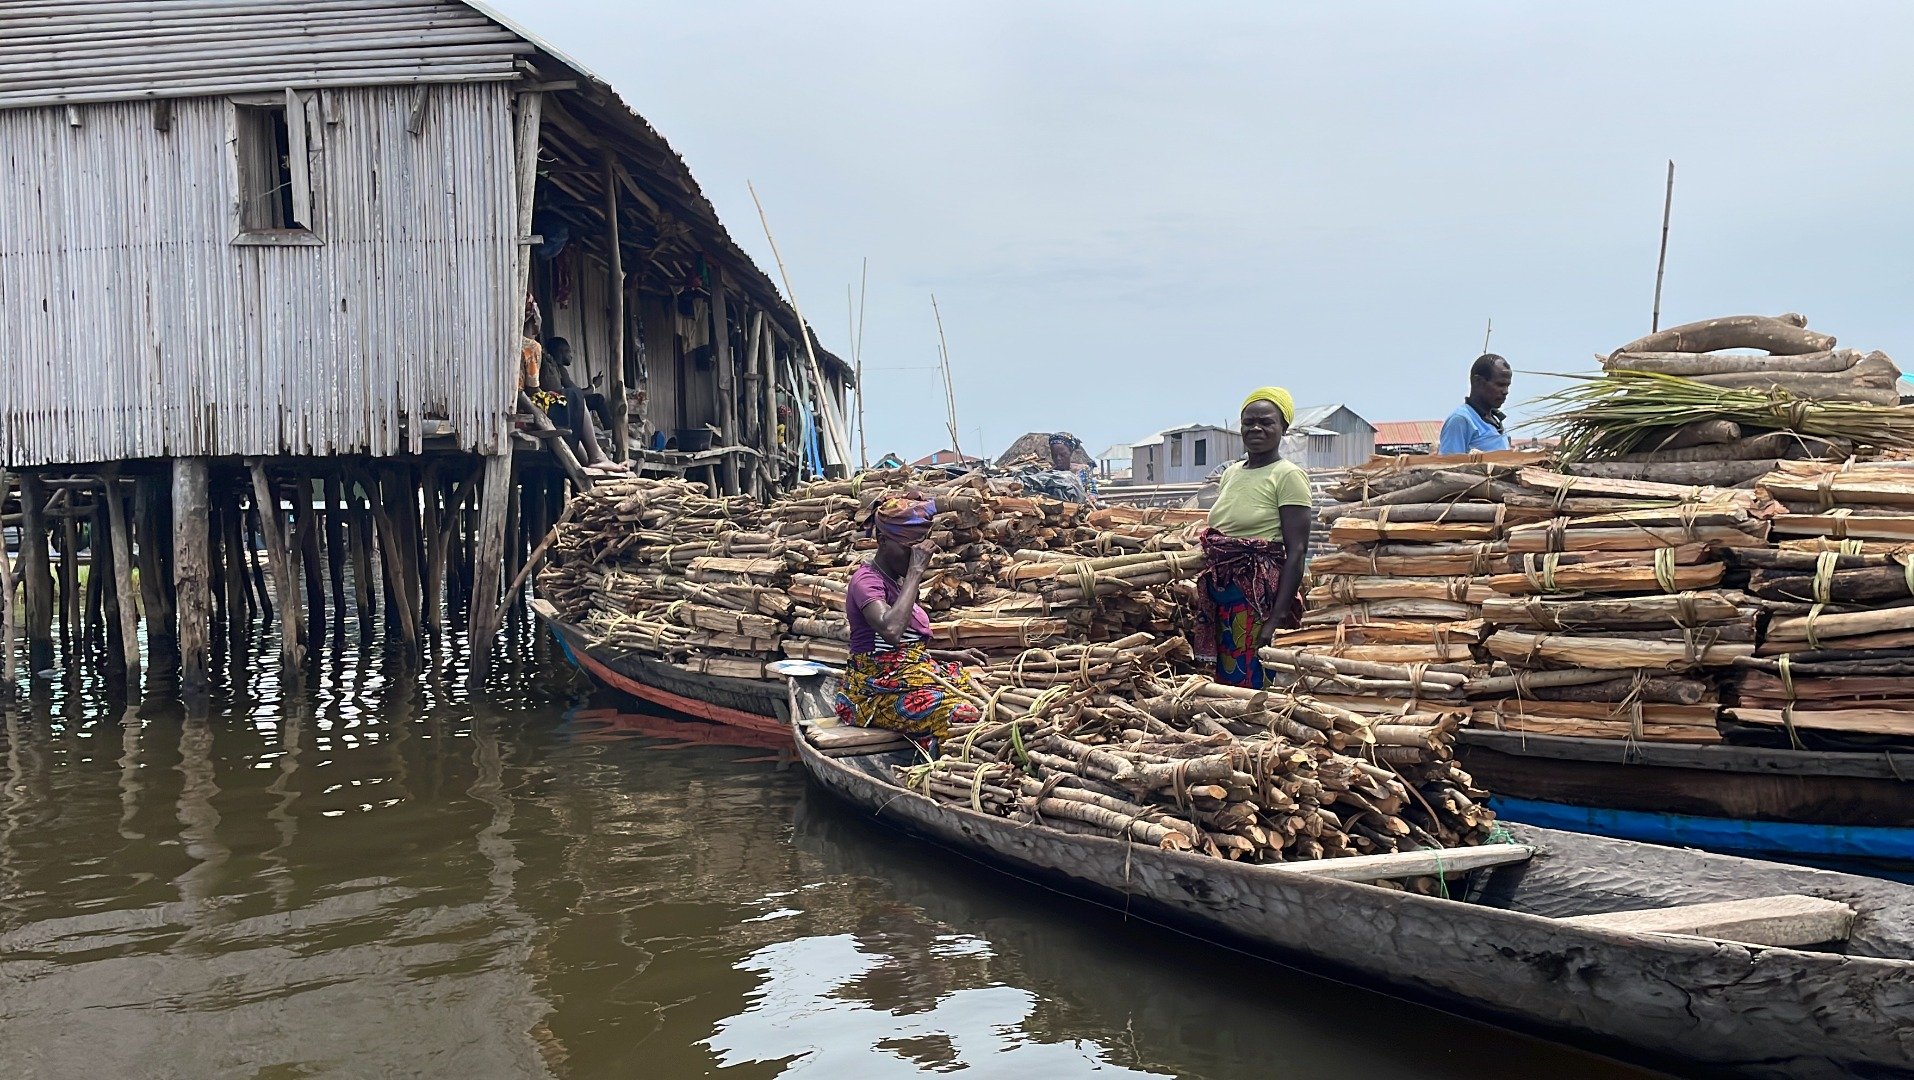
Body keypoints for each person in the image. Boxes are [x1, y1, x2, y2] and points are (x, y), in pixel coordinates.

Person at [833, 495, 984, 756]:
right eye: (908, 548)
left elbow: (901, 650)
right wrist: (915, 572)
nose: (916, 556)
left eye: (919, 549)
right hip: (872, 692)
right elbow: (891, 632)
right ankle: (940, 764)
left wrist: (952, 655)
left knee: (983, 696)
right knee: (963, 712)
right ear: (882, 541)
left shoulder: (895, 581)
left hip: (904, 677)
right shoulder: (866, 581)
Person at [1191, 387, 1313, 688]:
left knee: (1255, 684)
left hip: (1259, 600)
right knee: (1228, 680)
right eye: (1248, 422)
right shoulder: (1231, 473)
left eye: (1266, 422)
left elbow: (1296, 551)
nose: (1255, 428)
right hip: (1224, 593)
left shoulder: (1288, 475)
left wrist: (1276, 618)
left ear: (1283, 427)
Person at [1438, 354, 1513, 455]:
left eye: (1507, 386)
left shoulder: (1495, 420)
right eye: (1500, 385)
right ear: (1478, 382)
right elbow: (1449, 465)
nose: (1505, 391)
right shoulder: (1461, 420)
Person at [1047, 432, 1099, 505]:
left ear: (1070, 452)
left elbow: (1092, 491)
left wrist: (1091, 497)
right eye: (1054, 455)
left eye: (1062, 455)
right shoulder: (1049, 475)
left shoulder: (1083, 470)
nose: (1058, 458)